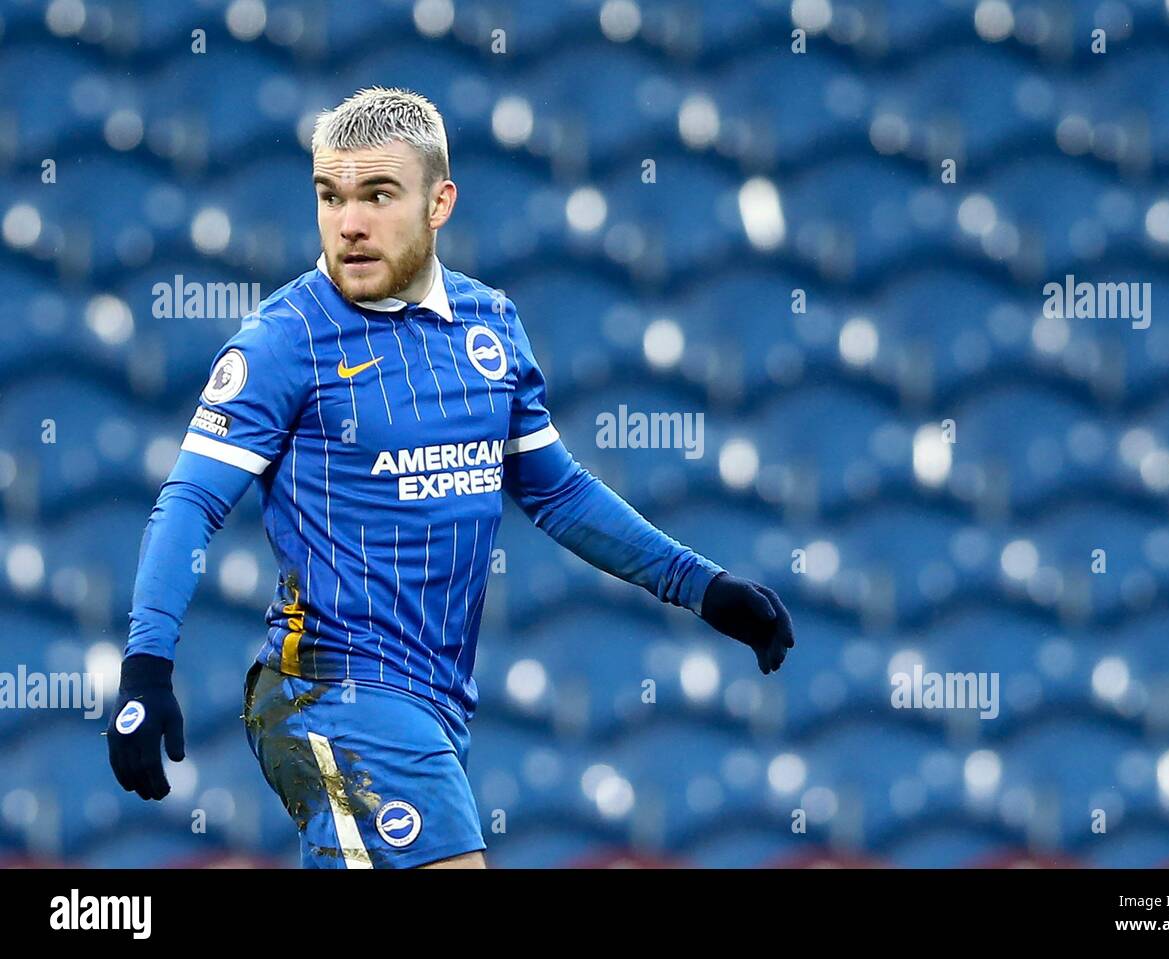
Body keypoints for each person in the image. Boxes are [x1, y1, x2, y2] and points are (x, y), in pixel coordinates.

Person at [107, 87, 794, 869]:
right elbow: (191, 500)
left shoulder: (488, 326)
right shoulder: (282, 340)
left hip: (436, 704)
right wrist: (146, 668)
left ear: (440, 203)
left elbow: (557, 491)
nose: (349, 222)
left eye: (377, 195)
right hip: (331, 691)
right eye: (330, 196)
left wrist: (701, 586)